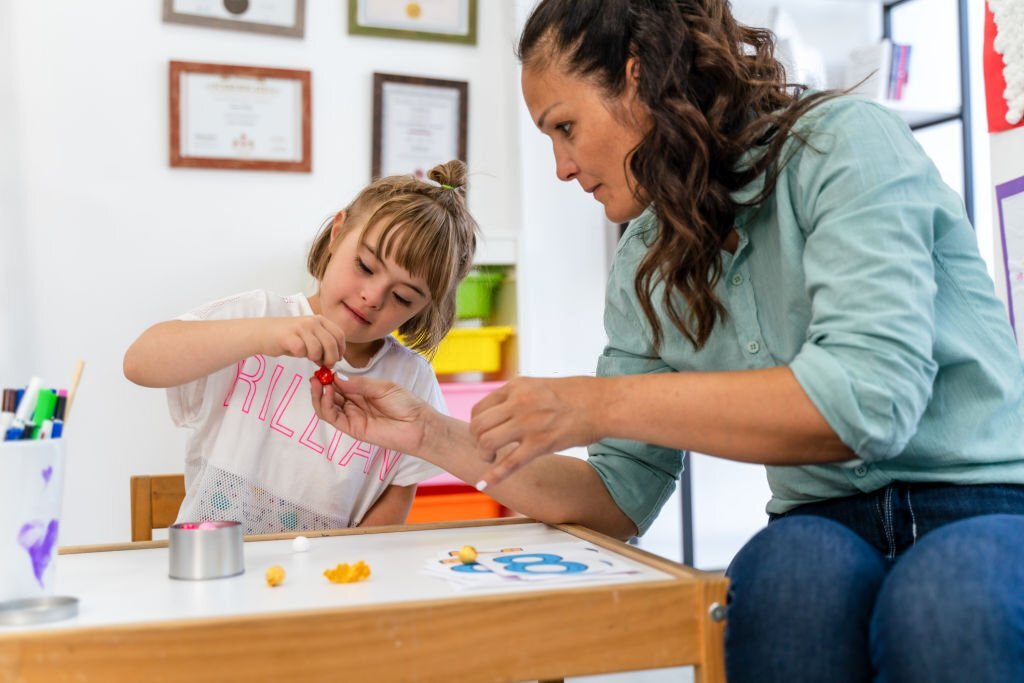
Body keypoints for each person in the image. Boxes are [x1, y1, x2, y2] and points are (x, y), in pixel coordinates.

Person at [311, 2, 1024, 681]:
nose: (561, 166)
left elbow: (869, 402)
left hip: (982, 499)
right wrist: (430, 434)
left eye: (564, 126)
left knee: (947, 601)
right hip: (821, 519)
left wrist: (602, 404)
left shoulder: (843, 142)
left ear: (635, 76)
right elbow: (616, 498)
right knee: (782, 590)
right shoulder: (645, 261)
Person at [124, 160, 478, 534]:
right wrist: (265, 335)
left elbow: (395, 498)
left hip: (324, 581)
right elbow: (139, 362)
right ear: (337, 234)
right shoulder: (258, 316)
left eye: (403, 297)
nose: (372, 297)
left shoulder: (411, 381)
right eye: (365, 266)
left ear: (425, 308)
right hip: (214, 568)